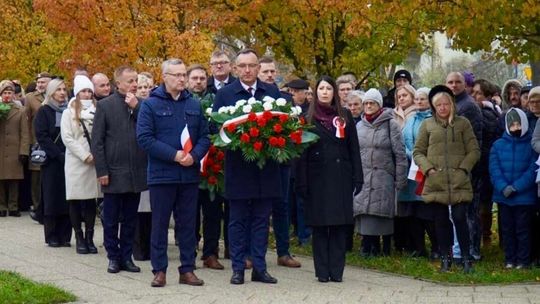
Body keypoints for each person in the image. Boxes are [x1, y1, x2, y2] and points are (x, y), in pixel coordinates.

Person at [137, 58, 210, 287]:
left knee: (188, 224)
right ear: (165, 77)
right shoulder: (150, 105)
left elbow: (206, 136)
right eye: (177, 75)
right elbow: (145, 139)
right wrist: (174, 155)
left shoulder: (194, 104)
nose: (181, 79)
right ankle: (159, 270)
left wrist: (194, 156)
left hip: (188, 176)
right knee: (159, 225)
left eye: (183, 75)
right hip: (162, 175)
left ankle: (187, 269)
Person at [212, 49, 282, 285]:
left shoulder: (271, 92)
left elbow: (282, 126)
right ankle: (238, 268)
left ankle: (260, 268)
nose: (248, 70)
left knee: (262, 220)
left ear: (258, 68)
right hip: (238, 167)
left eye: (252, 65)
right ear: (235, 68)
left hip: (266, 168)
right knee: (237, 220)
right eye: (242, 66)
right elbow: (216, 131)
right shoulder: (225, 95)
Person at [296, 76, 363, 282]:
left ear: (334, 92)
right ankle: (322, 272)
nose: (325, 92)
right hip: (316, 179)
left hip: (341, 177)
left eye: (328, 88)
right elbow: (301, 153)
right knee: (319, 226)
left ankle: (336, 271)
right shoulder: (307, 118)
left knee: (338, 225)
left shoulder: (345, 117)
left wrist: (358, 177)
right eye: (321, 88)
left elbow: (353, 149)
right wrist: (301, 181)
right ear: (315, 92)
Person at [413, 85, 480, 273]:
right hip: (436, 181)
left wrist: (463, 169)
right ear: (433, 107)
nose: (442, 108)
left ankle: (466, 257)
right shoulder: (427, 125)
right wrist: (428, 169)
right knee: (440, 220)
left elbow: (474, 150)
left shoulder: (463, 123)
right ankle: (445, 257)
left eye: (445, 104)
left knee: (459, 217)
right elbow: (418, 152)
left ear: (451, 104)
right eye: (438, 105)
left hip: (459, 180)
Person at [92, 66, 148, 274]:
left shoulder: (142, 105)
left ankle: (127, 256)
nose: (134, 84)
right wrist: (102, 170)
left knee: (131, 218)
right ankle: (113, 257)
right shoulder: (106, 106)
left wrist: (137, 107)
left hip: (136, 171)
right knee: (111, 218)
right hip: (114, 172)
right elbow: (97, 141)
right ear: (119, 84)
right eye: (130, 81)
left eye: (136, 80)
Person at [257, 58, 302, 268]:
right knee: (257, 207)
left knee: (281, 206)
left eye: (272, 71)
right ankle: (253, 252)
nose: (269, 75)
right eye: (265, 71)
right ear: (257, 72)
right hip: (257, 161)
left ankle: (283, 252)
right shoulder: (253, 97)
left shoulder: (285, 98)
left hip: (280, 162)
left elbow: (291, 130)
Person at [355, 88, 407, 257]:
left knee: (381, 213)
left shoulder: (391, 123)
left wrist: (400, 179)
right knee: (365, 211)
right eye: (366, 103)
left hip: (383, 176)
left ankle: (382, 249)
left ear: (379, 105)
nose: (369, 106)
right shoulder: (359, 125)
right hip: (363, 175)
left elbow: (399, 154)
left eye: (372, 103)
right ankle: (367, 245)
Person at [490, 108, 537, 269]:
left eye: (518, 124)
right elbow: (494, 169)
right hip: (504, 196)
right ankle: (510, 259)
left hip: (524, 196)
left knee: (523, 230)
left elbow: (533, 169)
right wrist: (503, 187)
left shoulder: (531, 144)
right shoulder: (498, 145)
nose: (515, 128)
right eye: (512, 125)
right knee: (507, 229)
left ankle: (523, 260)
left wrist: (517, 187)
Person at [60, 75, 101, 254]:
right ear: (77, 93)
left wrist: (96, 155)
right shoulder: (68, 112)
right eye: (83, 91)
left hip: (95, 161)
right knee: (76, 200)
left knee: (91, 201)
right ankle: (79, 237)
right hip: (76, 161)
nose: (87, 94)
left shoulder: (98, 109)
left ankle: (90, 237)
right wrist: (84, 155)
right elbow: (67, 137)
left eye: (89, 91)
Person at [396, 87, 439, 258]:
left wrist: (421, 158)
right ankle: (418, 247)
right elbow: (403, 140)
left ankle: (437, 247)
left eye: (423, 99)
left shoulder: (434, 120)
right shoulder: (411, 120)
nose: (419, 102)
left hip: (427, 170)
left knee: (427, 212)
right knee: (412, 213)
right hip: (411, 171)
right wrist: (411, 154)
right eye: (418, 99)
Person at [445, 71, 483, 261]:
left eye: (457, 82)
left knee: (468, 212)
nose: (453, 85)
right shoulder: (451, 105)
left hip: (468, 169)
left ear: (464, 84)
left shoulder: (468, 106)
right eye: (450, 82)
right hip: (452, 167)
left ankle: (472, 251)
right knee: (458, 213)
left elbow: (474, 142)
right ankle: (461, 249)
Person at [34, 78, 71, 247]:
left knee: (67, 197)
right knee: (52, 196)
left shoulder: (69, 110)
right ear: (51, 92)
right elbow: (42, 136)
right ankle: (52, 234)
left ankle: (65, 234)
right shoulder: (44, 111)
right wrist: (58, 154)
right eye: (58, 90)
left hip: (69, 159)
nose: (62, 93)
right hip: (52, 161)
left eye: (64, 89)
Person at [471, 79, 500, 246]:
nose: (474, 96)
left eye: (478, 93)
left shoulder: (487, 113)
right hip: (479, 163)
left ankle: (485, 237)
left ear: (488, 96)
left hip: (485, 163)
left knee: (484, 204)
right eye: (473, 92)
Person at [26, 72, 52, 222]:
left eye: (44, 82)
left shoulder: (55, 96)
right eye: (39, 82)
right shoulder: (30, 98)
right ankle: (37, 208)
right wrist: (29, 143)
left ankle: (46, 207)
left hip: (51, 141)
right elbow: (27, 121)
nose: (40, 84)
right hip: (36, 143)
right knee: (36, 179)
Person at [0, 81, 29, 217]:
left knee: (14, 180)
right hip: (1, 149)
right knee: (0, 179)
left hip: (14, 148)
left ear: (14, 95)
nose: (7, 95)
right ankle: (1, 205)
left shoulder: (20, 110)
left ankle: (13, 206)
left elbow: (24, 133)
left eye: (9, 93)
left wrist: (24, 151)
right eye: (4, 93)